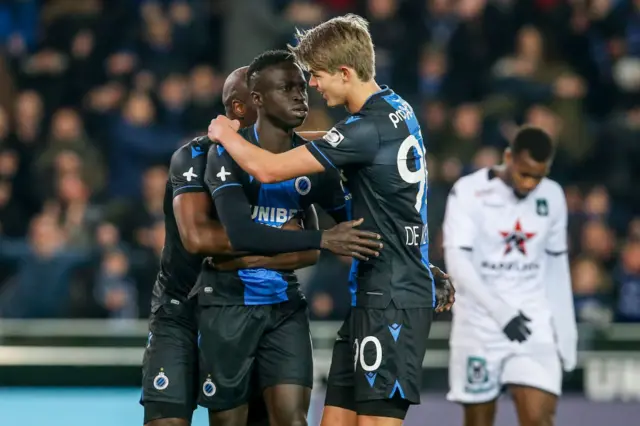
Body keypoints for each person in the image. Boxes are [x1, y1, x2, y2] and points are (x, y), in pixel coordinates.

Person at [205, 15, 455, 426]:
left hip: (392, 301)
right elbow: (381, 188)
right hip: (374, 294)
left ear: (344, 72)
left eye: (317, 76)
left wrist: (225, 134)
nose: (313, 86)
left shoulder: (362, 130)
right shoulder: (397, 108)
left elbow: (267, 169)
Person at [195, 49, 373, 426]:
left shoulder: (313, 161)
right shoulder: (225, 153)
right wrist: (319, 240)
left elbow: (358, 227)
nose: (299, 96)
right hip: (227, 307)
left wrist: (425, 266)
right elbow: (241, 233)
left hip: (284, 309)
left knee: (292, 421)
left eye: (301, 87)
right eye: (286, 88)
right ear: (256, 99)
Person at [140, 66, 317, 426]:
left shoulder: (284, 163)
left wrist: (246, 248)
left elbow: (310, 248)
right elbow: (197, 240)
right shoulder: (193, 158)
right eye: (266, 96)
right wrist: (271, 238)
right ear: (241, 107)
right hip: (182, 310)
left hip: (242, 306)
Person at [443, 126, 577, 426]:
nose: (530, 183)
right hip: (479, 326)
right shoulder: (469, 191)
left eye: (538, 176)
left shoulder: (553, 196)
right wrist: (501, 313)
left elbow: (557, 268)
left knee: (539, 419)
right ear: (508, 157)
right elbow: (457, 262)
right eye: (524, 173)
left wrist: (567, 334)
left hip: (533, 325)